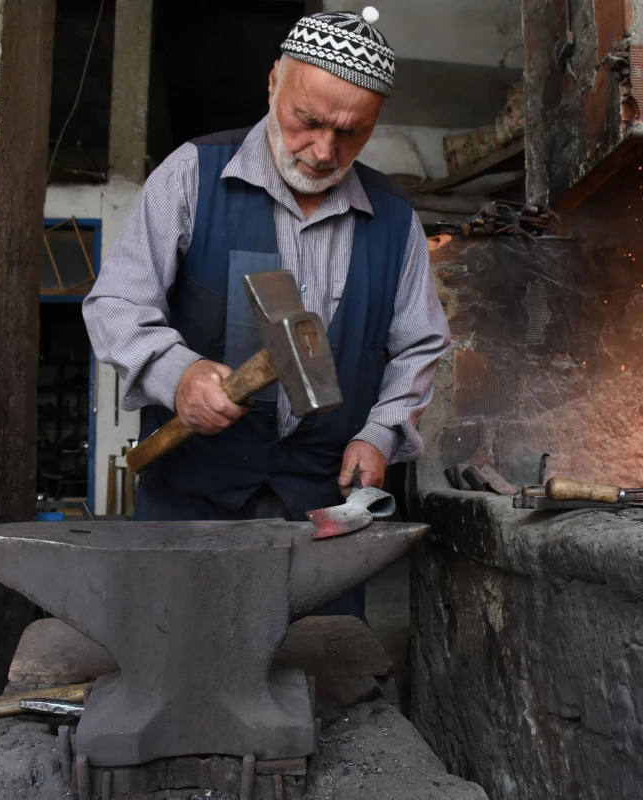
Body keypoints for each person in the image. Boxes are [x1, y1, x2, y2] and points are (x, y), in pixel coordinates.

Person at [82, 8, 449, 617]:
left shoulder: (395, 221)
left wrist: (379, 432)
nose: (325, 150)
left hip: (320, 522)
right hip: (189, 507)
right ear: (275, 80)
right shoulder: (191, 176)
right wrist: (179, 376)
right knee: (175, 666)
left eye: (352, 133)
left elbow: (419, 346)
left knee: (322, 682)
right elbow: (117, 304)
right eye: (308, 121)